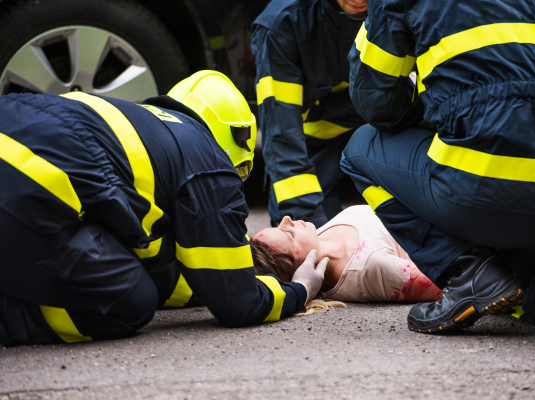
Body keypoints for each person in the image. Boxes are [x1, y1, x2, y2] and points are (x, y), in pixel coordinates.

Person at [0, 71, 328, 346]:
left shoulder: (139, 127)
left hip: (19, 166)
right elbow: (238, 302)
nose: (286, 218)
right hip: (27, 191)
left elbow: (170, 270)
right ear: (235, 150)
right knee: (129, 302)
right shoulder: (210, 164)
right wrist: (299, 289)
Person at [342, 0, 535, 333]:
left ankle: (467, 272)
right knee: (531, 291)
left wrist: (439, 117)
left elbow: (376, 100)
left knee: (360, 149)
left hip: (485, 188)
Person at [251, 0, 368, 229]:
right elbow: (282, 136)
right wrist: (311, 224)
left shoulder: (403, 10)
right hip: (312, 144)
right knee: (318, 235)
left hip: (378, 133)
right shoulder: (282, 24)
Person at [250, 205, 442, 311]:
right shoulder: (371, 267)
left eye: (278, 227)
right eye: (289, 235)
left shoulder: (318, 237)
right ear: (302, 267)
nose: (286, 220)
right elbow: (454, 285)